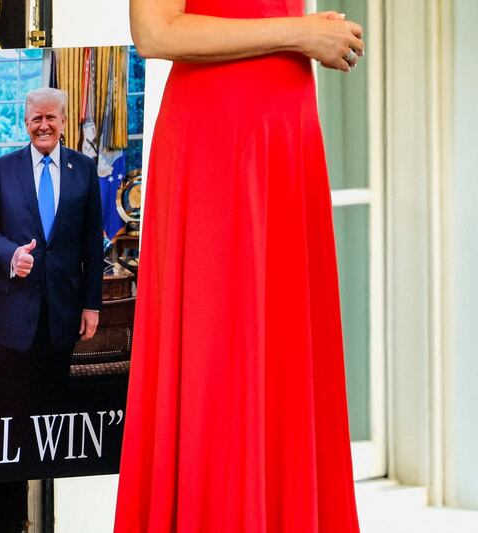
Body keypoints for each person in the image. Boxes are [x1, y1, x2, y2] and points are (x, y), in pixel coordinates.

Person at [114, 1, 364, 532]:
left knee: (283, 355)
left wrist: (309, 34)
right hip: (220, 140)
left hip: (286, 133)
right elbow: (155, 32)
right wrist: (301, 33)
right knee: (218, 357)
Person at [0, 87, 104, 412]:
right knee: (10, 409)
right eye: (36, 119)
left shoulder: (84, 169)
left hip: (63, 314)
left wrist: (92, 304)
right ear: (25, 123)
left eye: (50, 117)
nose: (43, 125)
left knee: (53, 408)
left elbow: (92, 242)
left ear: (64, 121)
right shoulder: (2, 168)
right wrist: (11, 255)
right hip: (12, 316)